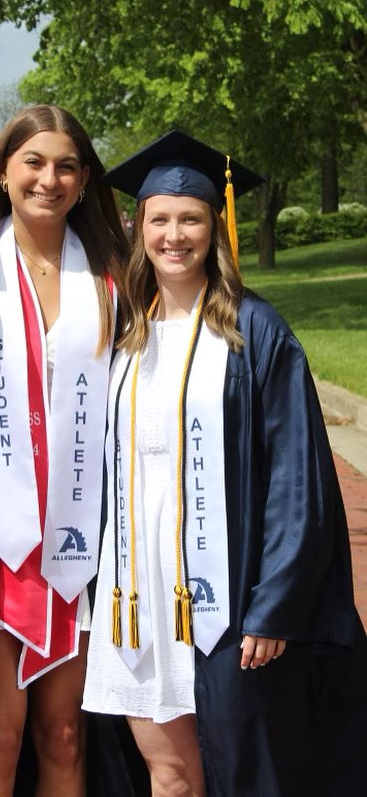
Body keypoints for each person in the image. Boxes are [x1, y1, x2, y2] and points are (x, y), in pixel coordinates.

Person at [83, 129, 367, 796]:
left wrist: (275, 605)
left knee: (246, 771)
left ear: (216, 226)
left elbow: (299, 481)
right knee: (170, 772)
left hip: (228, 597)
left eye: (191, 219)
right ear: (139, 228)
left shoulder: (255, 330)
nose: (174, 235)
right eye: (160, 220)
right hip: (140, 594)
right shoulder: (128, 334)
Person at [0, 104, 129, 796]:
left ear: (85, 179)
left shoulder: (114, 273)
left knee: (64, 732)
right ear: (3, 171)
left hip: (80, 530)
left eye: (66, 165)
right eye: (33, 162)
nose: (49, 179)